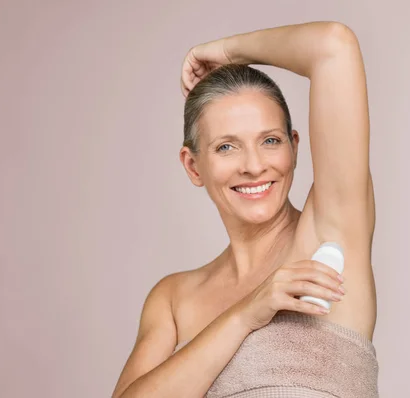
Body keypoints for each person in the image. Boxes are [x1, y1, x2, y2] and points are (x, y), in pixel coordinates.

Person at [112, 21, 378, 398]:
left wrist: (227, 53)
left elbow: (332, 45)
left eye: (270, 140)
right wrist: (244, 315)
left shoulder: (331, 237)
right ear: (193, 166)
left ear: (294, 146)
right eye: (226, 147)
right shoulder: (174, 299)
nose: (254, 165)